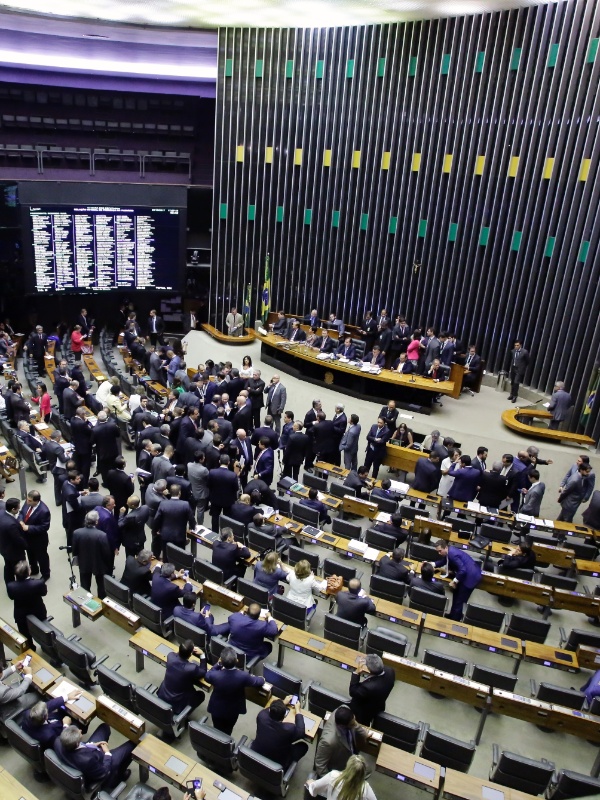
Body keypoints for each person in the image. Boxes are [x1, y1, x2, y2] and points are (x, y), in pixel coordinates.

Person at [54, 723, 135, 790]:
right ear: (76, 743)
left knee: (104, 727)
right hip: (101, 762)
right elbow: (104, 772)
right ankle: (118, 778)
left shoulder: (58, 741)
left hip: (87, 752)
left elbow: (81, 745)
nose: (80, 730)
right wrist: (107, 753)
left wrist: (94, 745)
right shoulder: (88, 760)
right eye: (79, 733)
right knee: (132, 745)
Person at [204, 646, 266, 734]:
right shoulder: (243, 676)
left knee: (216, 728)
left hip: (216, 708)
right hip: (233, 710)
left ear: (221, 660)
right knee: (228, 730)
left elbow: (207, 676)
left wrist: (218, 665)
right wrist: (262, 679)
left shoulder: (215, 675)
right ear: (237, 661)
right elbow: (257, 681)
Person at [251, 698, 308, 767]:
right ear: (284, 717)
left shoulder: (261, 716)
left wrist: (282, 703)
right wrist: (298, 711)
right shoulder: (288, 729)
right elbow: (301, 732)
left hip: (256, 752)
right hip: (277, 762)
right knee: (303, 746)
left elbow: (269, 709)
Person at [433, 539, 482, 619]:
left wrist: (454, 581)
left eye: (440, 551)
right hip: (465, 574)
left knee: (460, 601)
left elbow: (463, 570)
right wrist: (432, 564)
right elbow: (443, 561)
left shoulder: (452, 554)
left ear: (445, 548)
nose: (439, 553)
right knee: (456, 596)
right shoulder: (449, 551)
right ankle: (452, 615)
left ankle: (455, 620)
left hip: (470, 578)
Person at [314, 706, 368, 777]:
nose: (354, 723)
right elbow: (320, 766)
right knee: (363, 773)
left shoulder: (344, 709)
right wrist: (336, 784)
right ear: (343, 726)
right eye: (352, 724)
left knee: (366, 770)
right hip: (337, 769)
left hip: (350, 754)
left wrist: (363, 733)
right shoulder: (328, 742)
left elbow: (355, 725)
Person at [157, 639, 207, 714]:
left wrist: (184, 650)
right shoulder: (191, 668)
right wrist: (202, 654)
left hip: (163, 694)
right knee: (201, 695)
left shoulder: (170, 656)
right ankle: (183, 713)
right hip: (176, 702)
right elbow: (203, 671)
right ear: (191, 654)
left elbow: (177, 655)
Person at [72, 510, 112, 598]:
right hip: (99, 563)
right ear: (97, 521)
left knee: (85, 585)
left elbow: (74, 550)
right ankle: (102, 602)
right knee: (101, 585)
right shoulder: (102, 535)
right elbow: (106, 553)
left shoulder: (77, 533)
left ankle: (86, 602)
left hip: (84, 562)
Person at [349, 654, 395, 725]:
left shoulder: (367, 687)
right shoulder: (390, 671)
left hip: (364, 712)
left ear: (368, 668)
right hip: (379, 704)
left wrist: (356, 673)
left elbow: (352, 692)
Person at [7, 559, 48, 638]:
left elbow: (11, 597)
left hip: (21, 615)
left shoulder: (11, 586)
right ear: (29, 572)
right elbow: (44, 593)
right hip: (38, 612)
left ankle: (30, 648)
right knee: (42, 632)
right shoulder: (38, 583)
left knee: (25, 635)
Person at [17, 488, 51, 580]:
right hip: (27, 538)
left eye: (30, 501)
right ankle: (34, 569)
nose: (27, 502)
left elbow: (45, 527)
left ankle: (46, 574)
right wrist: (20, 520)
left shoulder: (44, 511)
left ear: (36, 501)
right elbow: (21, 513)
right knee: (30, 555)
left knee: (42, 557)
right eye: (27, 499)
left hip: (38, 540)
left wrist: (29, 528)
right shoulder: (27, 503)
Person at [0, 658, 36, 725]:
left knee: (25, 684)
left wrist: (14, 667)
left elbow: (1, 675)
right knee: (37, 695)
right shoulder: (2, 692)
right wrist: (28, 675)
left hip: (5, 694)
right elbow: (20, 691)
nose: (3, 670)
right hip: (9, 708)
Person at [0, 497, 27, 585]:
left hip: (4, 548)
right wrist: (27, 546)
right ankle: (20, 586)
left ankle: (9, 585)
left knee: (8, 567)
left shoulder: (1, 513)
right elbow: (18, 540)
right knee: (19, 569)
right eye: (18, 508)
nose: (19, 510)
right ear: (13, 509)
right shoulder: (11, 524)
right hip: (14, 552)